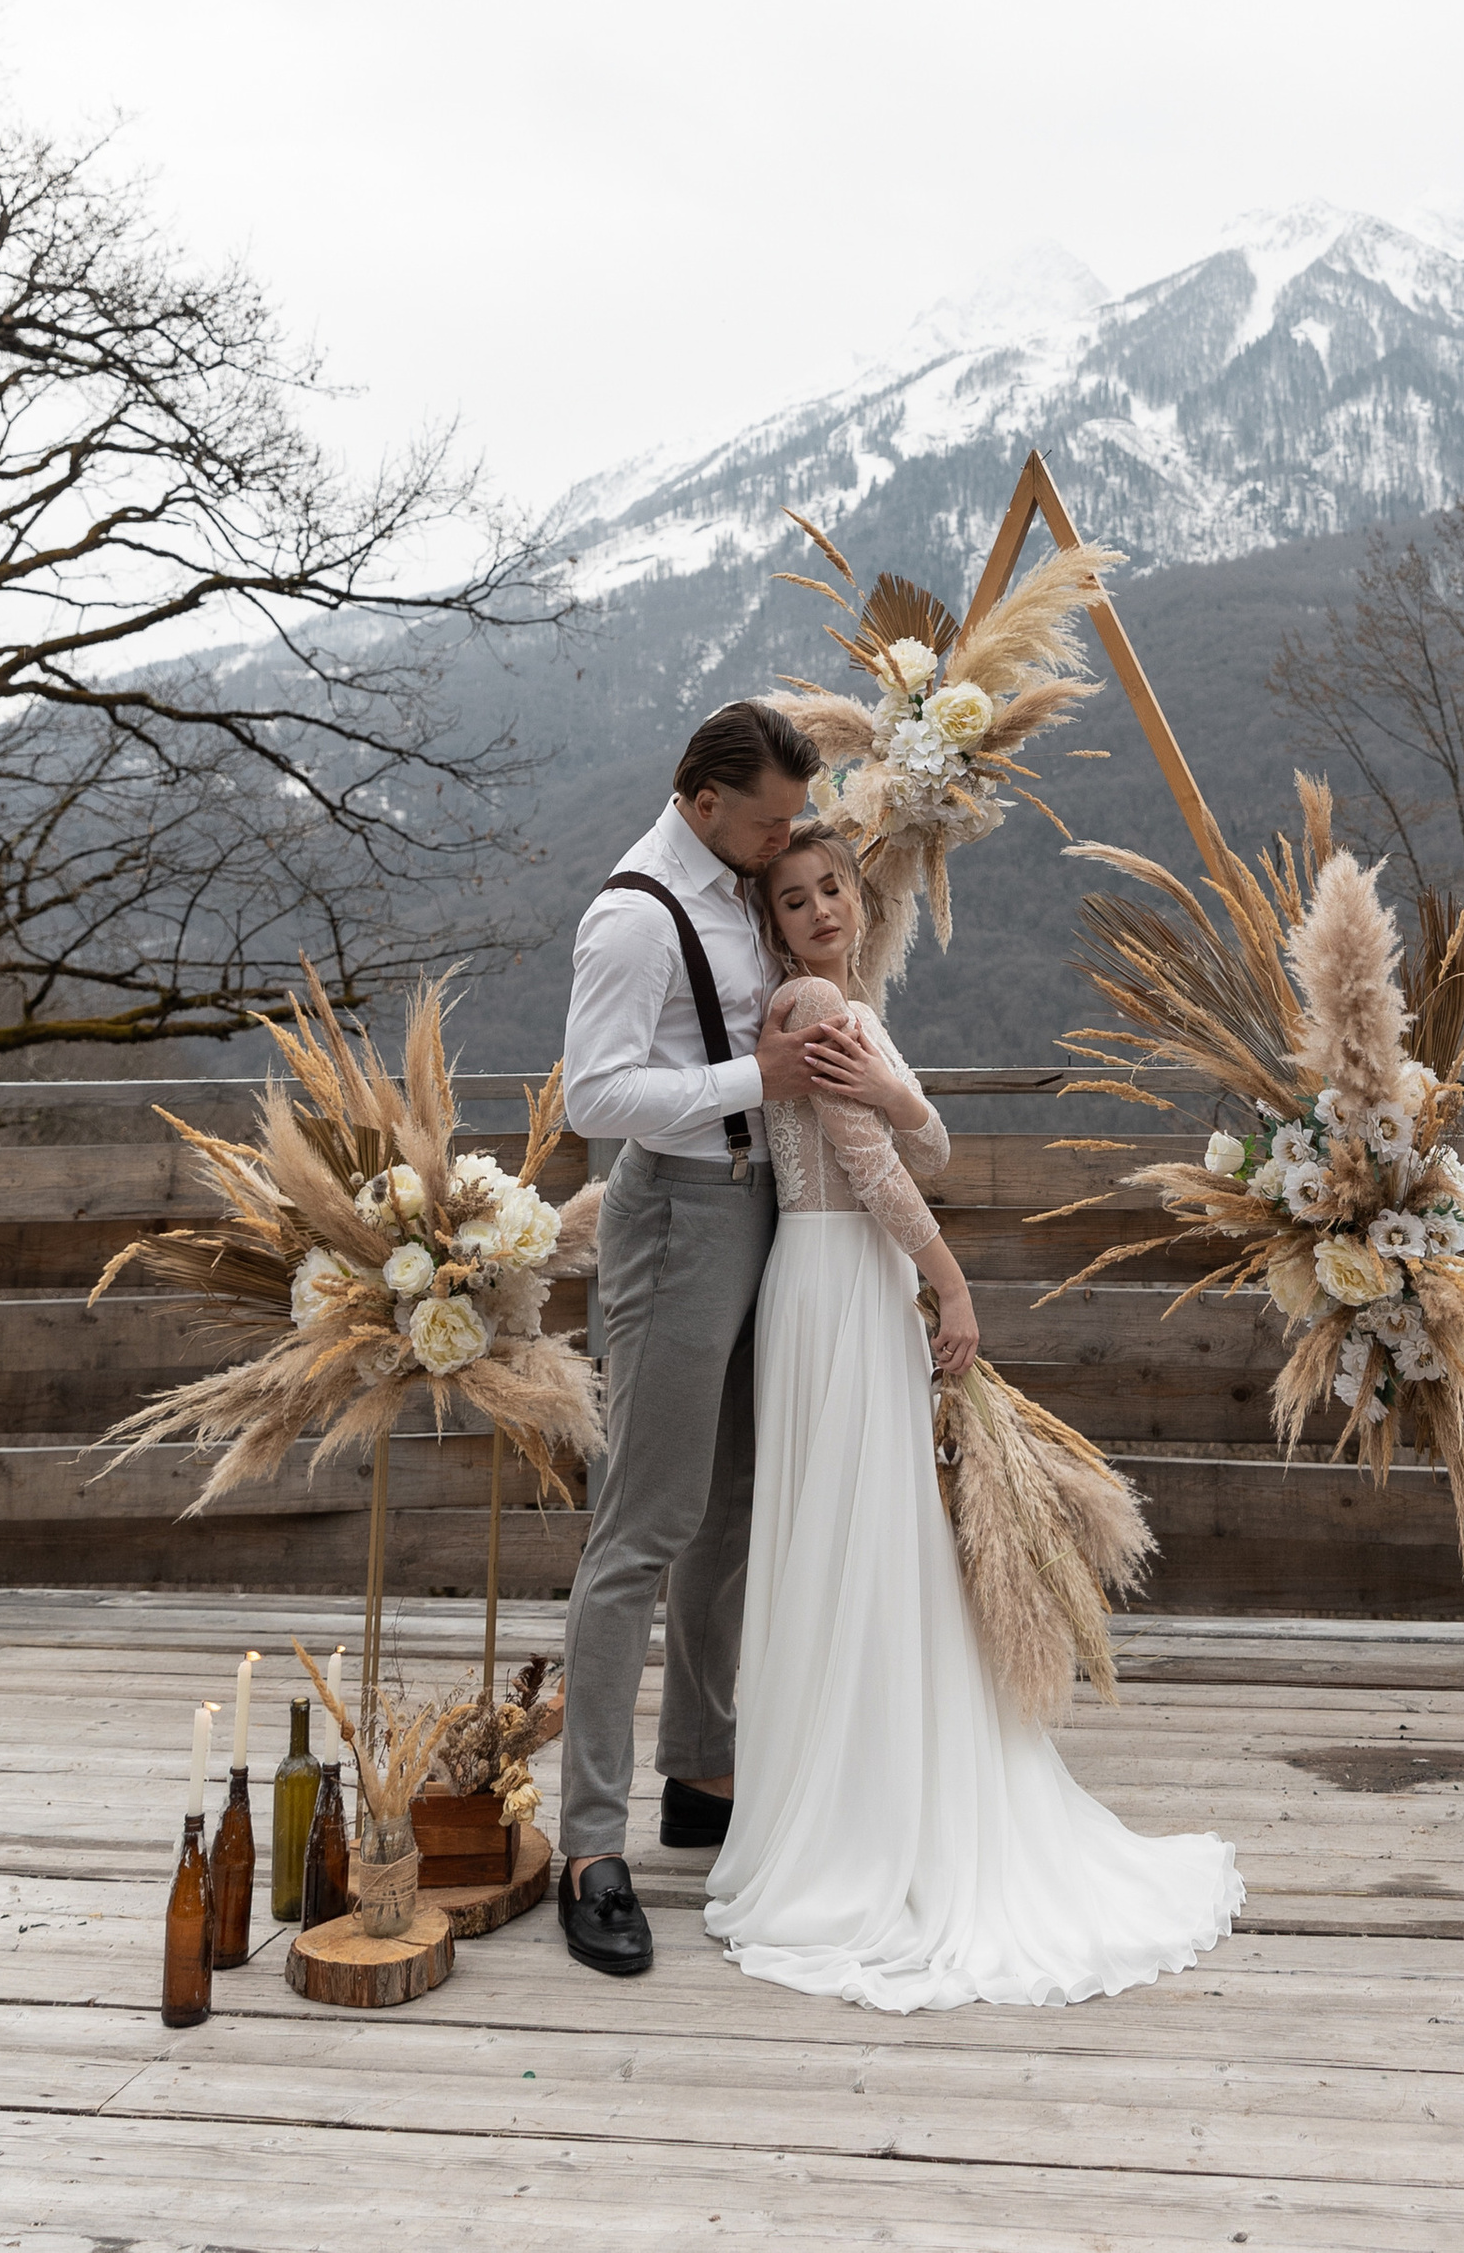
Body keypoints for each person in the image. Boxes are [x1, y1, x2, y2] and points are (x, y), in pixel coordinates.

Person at [703, 819, 1243, 2009]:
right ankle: (858, 1826)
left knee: (873, 1538)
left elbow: (930, 1139)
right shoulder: (807, 1009)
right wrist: (951, 1283)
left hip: (843, 1283)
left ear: (860, 896)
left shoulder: (849, 1009)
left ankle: (862, 1792)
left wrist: (898, 1089)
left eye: (834, 889)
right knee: (858, 1536)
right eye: (794, 900)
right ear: (771, 922)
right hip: (841, 1279)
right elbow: (884, 1170)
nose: (822, 912)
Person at [557, 700, 879, 1976]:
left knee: (728, 1512)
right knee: (638, 1530)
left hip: (764, 1211)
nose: (785, 838)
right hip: (678, 1218)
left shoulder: (742, 879)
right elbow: (594, 1094)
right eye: (767, 820)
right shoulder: (635, 917)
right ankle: (588, 1842)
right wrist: (762, 1084)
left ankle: (700, 1771)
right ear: (700, 806)